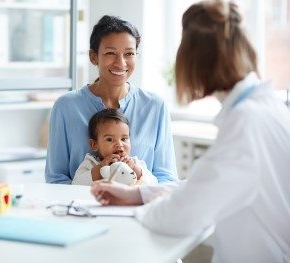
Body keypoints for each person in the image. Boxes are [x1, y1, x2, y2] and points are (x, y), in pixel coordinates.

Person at [91, 1, 290, 262]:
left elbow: (183, 215)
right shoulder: (266, 108)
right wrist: (138, 194)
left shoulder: (246, 124)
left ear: (195, 59)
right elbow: (203, 188)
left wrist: (138, 212)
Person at [45, 15, 177, 184]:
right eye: (110, 53)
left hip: (139, 208)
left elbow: (167, 179)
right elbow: (56, 179)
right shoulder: (66, 107)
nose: (121, 63)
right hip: (81, 207)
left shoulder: (155, 106)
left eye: (129, 53)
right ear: (93, 57)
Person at [72, 108, 158, 185]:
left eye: (124, 139)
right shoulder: (91, 163)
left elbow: (154, 184)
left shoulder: (136, 163)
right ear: (94, 145)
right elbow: (76, 184)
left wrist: (136, 170)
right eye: (110, 139)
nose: (120, 144)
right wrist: (100, 168)